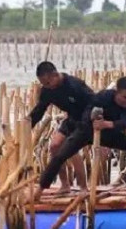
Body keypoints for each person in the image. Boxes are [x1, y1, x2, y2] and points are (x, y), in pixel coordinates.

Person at [39, 76, 126, 197]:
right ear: (117, 92)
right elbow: (87, 109)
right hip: (86, 130)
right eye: (125, 97)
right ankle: (40, 189)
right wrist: (91, 120)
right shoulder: (103, 97)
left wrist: (106, 124)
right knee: (60, 155)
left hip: (109, 133)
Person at [29, 61, 94, 191]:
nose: (46, 86)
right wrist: (27, 125)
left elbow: (94, 102)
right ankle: (65, 185)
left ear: (55, 75)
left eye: (47, 83)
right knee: (54, 146)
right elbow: (39, 110)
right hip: (71, 119)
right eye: (43, 84)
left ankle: (83, 187)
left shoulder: (75, 85)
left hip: (86, 120)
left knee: (71, 150)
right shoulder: (47, 91)